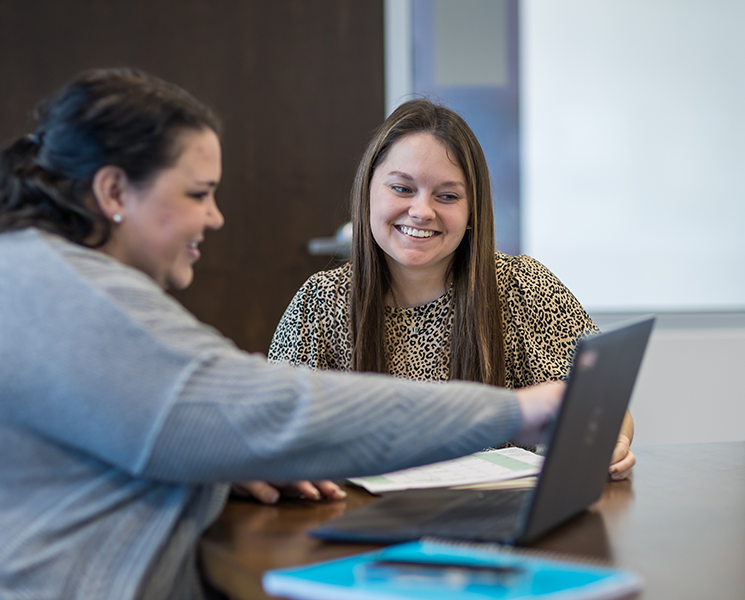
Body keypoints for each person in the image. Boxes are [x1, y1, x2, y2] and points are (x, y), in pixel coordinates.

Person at [0, 69, 563, 600]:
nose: (214, 217)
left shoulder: (6, 268)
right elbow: (269, 410)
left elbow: (178, 419)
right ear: (113, 191)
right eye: (198, 194)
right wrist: (515, 411)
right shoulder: (62, 294)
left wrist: (221, 457)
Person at [268, 99, 636, 482]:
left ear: (472, 210)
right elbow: (272, 431)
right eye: (402, 188)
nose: (422, 211)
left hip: (493, 520)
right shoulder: (320, 301)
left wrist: (612, 438)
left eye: (447, 196)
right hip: (357, 524)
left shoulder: (522, 285)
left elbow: (604, 407)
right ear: (368, 192)